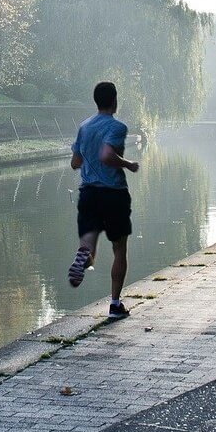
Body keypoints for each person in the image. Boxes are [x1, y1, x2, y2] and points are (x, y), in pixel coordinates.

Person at [67, 81, 138, 319]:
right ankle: (115, 304)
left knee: (88, 245)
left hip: (88, 193)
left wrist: (89, 161)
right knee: (119, 249)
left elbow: (75, 162)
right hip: (113, 194)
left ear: (96, 101)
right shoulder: (117, 127)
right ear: (114, 100)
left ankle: (84, 257)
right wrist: (128, 164)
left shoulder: (84, 127)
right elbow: (107, 154)